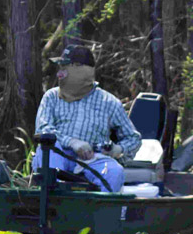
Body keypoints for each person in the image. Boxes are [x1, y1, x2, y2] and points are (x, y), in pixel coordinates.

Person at [32, 45, 141, 192]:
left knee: (115, 172)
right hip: (58, 154)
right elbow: (43, 129)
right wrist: (71, 142)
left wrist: (118, 149)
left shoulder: (108, 102)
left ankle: (98, 213)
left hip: (92, 160)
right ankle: (55, 209)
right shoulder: (52, 97)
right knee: (49, 153)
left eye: (64, 68)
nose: (59, 74)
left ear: (80, 70)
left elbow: (133, 138)